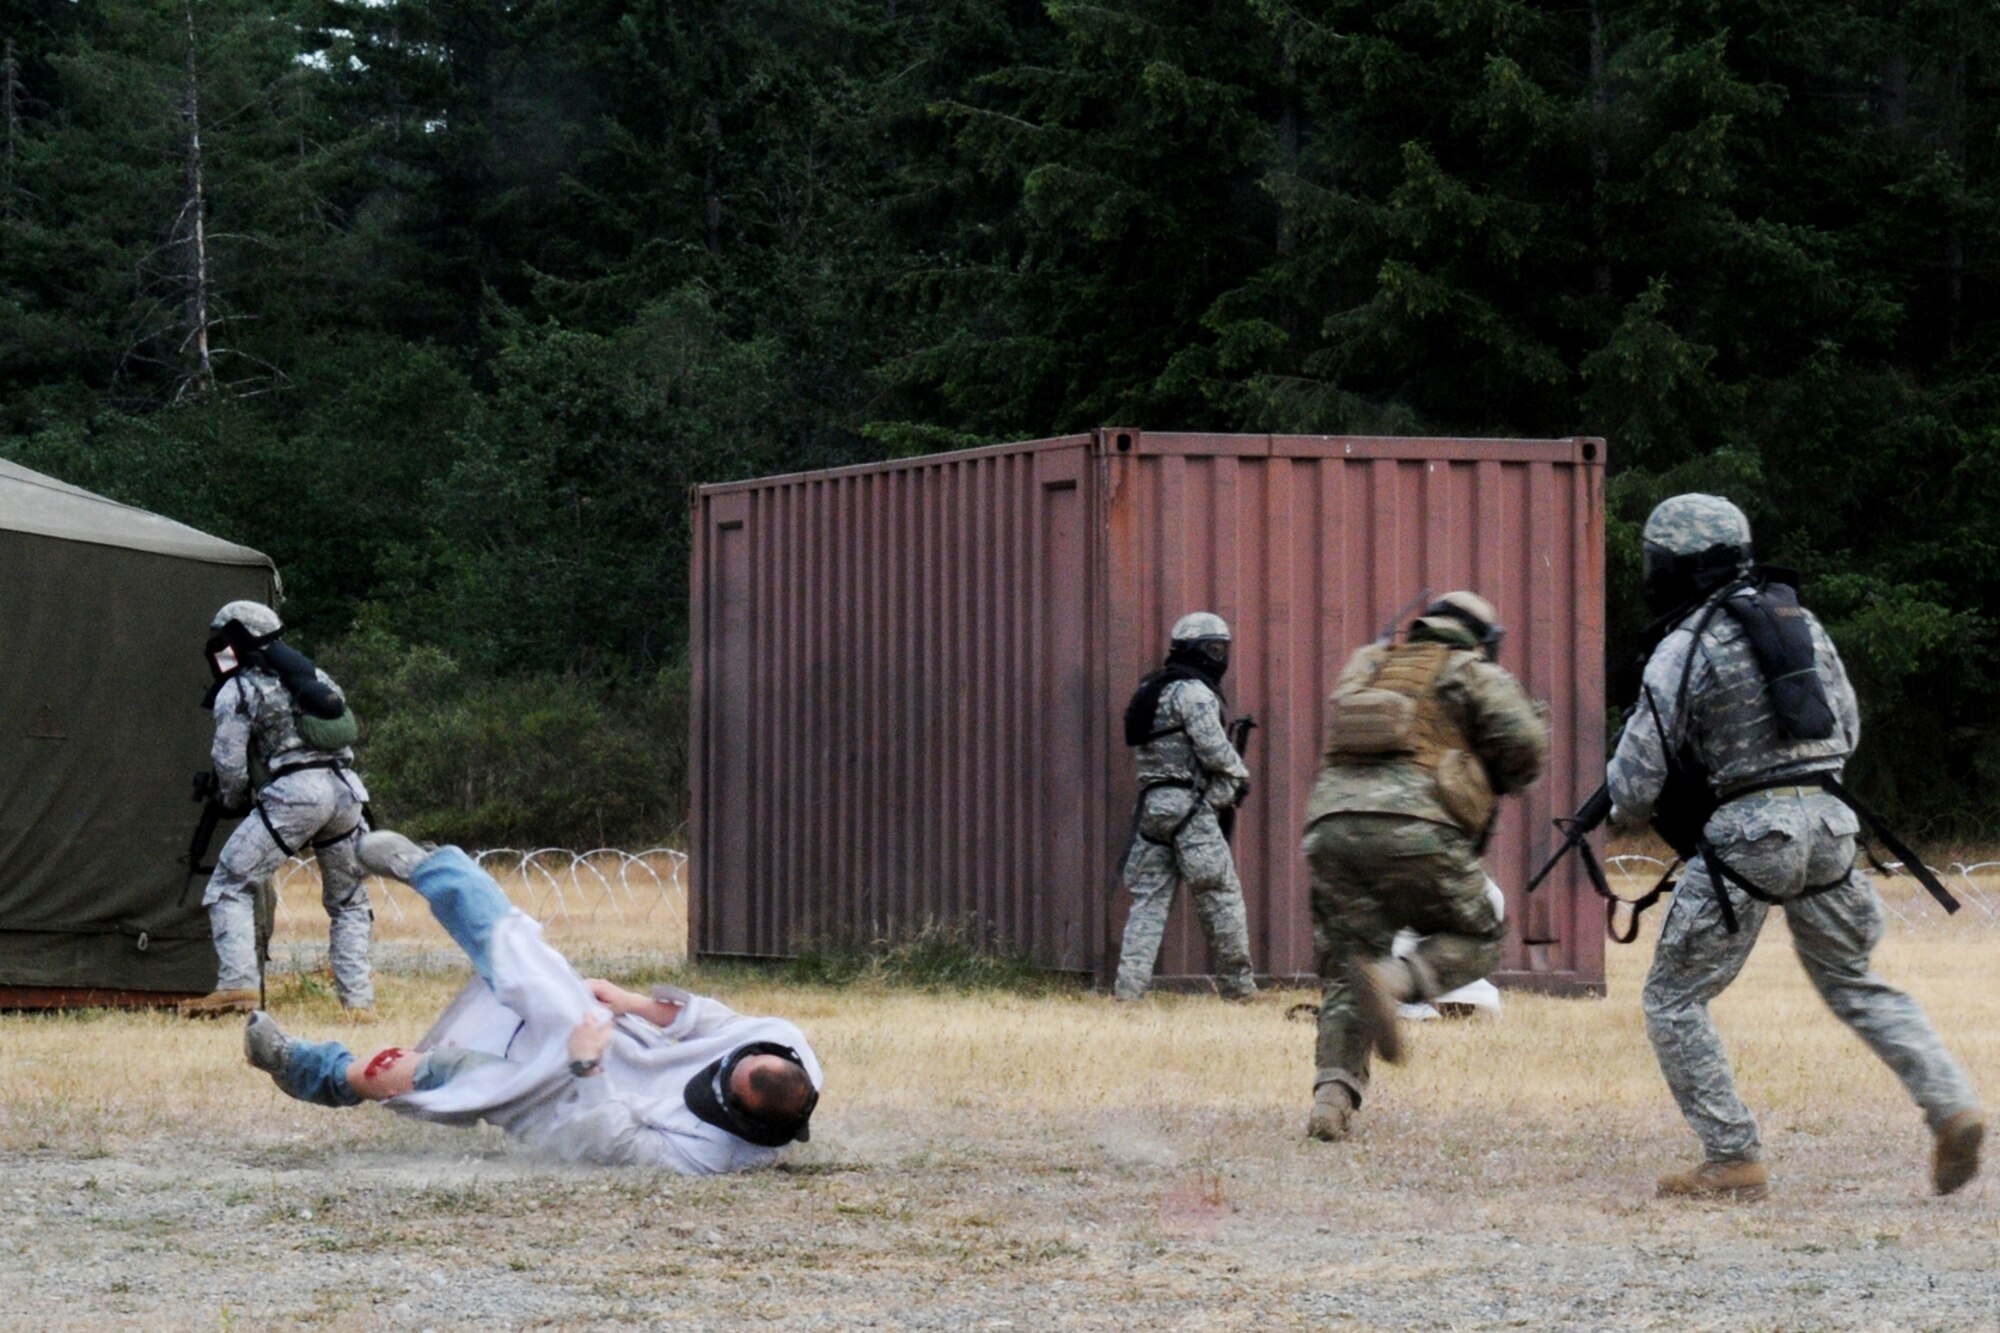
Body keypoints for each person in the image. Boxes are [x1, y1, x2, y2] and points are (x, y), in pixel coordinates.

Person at [1610, 493, 1982, 1201]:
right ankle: (1951, 1103)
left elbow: (1633, 785)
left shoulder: (1682, 646)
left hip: (1751, 835)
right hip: (1835, 826)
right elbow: (1845, 725)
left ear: (1672, 566)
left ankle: (1733, 1155)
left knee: (1673, 998)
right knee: (1855, 982)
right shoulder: (1797, 620)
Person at [243, 832, 822, 1174]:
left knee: (442, 1076)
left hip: (570, 1098)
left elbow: (610, 1139)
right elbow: (710, 1019)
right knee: (530, 964)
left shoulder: (715, 1156)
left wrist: (587, 1063)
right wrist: (637, 1003)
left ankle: (305, 1069)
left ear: (744, 1125)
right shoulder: (786, 1041)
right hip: (618, 1040)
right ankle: (432, 869)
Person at [1300, 592, 1548, 1141]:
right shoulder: (1472, 672)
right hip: (1418, 833)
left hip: (1331, 830)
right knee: (1480, 934)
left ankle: (1331, 1098)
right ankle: (1396, 980)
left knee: (1349, 964)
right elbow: (1526, 752)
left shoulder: (1367, 665)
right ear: (1480, 638)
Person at [180, 601, 372, 1019]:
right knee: (350, 902)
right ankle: (359, 1004)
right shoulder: (316, 679)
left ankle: (237, 987)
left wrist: (231, 800)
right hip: (347, 791)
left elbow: (229, 762)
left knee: (229, 884)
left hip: (296, 793)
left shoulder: (240, 688)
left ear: (236, 638)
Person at [1113, 612, 1256, 1002]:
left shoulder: (1150, 689)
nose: (1219, 656)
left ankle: (1128, 993)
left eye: (1222, 647)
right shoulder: (1193, 693)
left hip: (1151, 809)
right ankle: (1239, 990)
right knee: (1220, 896)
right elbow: (1213, 750)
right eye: (1213, 648)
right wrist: (1237, 776)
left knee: (1148, 904)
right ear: (1194, 649)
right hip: (1188, 808)